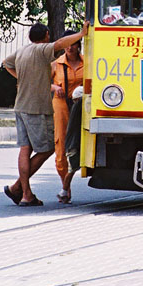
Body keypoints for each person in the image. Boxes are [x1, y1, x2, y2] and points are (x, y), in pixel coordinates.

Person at [3, 20, 88, 207]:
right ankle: (22, 191)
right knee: (48, 148)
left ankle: (23, 192)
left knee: (25, 149)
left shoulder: (22, 51)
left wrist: (23, 78)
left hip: (20, 106)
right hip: (36, 109)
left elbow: (6, 63)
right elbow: (59, 45)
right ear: (46, 36)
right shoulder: (42, 51)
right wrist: (82, 33)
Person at [51, 32, 84, 203]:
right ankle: (66, 186)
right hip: (62, 105)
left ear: (79, 44)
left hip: (81, 107)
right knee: (62, 143)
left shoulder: (88, 62)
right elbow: (42, 82)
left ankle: (66, 186)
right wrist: (55, 88)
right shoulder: (56, 64)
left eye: (73, 44)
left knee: (79, 143)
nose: (70, 47)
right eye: (67, 44)